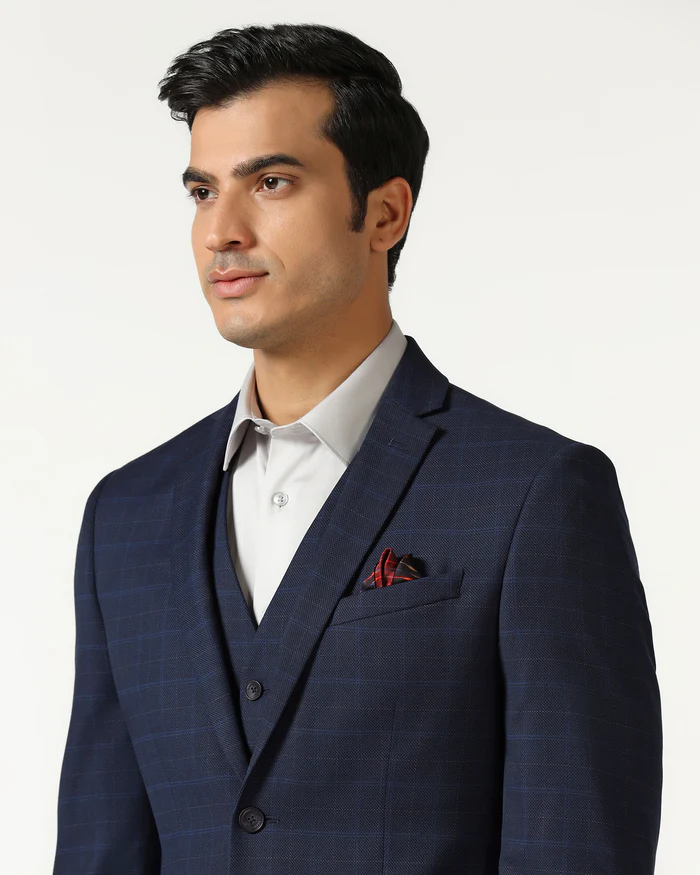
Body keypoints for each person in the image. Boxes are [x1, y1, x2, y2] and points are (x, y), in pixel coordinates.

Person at [52, 22, 662, 875]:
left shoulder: (535, 493)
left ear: (384, 213)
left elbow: (576, 848)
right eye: (201, 191)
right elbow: (100, 848)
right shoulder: (126, 515)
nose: (222, 230)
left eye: (270, 182)